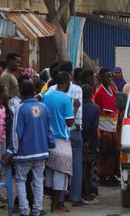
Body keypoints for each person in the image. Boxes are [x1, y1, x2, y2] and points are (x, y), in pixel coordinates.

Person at [3, 82, 55, 216]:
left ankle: (24, 210)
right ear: (34, 92)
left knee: (21, 180)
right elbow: (50, 129)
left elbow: (16, 133)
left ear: (21, 93)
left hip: (24, 153)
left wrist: (9, 151)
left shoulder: (20, 108)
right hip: (42, 151)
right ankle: (37, 210)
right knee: (38, 181)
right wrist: (50, 144)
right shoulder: (44, 107)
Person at [49, 61, 84, 207]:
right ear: (71, 75)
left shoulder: (50, 90)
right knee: (75, 166)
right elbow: (75, 115)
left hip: (54, 133)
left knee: (58, 167)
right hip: (73, 130)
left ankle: (59, 199)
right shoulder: (77, 89)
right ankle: (75, 198)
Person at [43, 72, 75, 212]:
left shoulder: (46, 95)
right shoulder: (66, 99)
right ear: (67, 82)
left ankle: (52, 203)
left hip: (47, 138)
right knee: (61, 172)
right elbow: (69, 122)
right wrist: (76, 107)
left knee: (50, 170)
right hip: (61, 139)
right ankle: (56, 204)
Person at [94, 68, 120, 186]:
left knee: (114, 152)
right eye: (107, 77)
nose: (110, 79)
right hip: (104, 127)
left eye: (110, 77)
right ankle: (103, 176)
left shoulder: (111, 89)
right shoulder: (99, 92)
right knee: (105, 152)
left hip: (113, 126)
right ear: (100, 78)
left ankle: (112, 174)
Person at [81, 84, 100, 205]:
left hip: (79, 140)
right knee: (91, 167)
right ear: (92, 94)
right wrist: (88, 142)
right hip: (91, 142)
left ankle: (83, 191)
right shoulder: (95, 108)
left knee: (81, 168)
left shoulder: (77, 106)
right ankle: (90, 193)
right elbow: (94, 128)